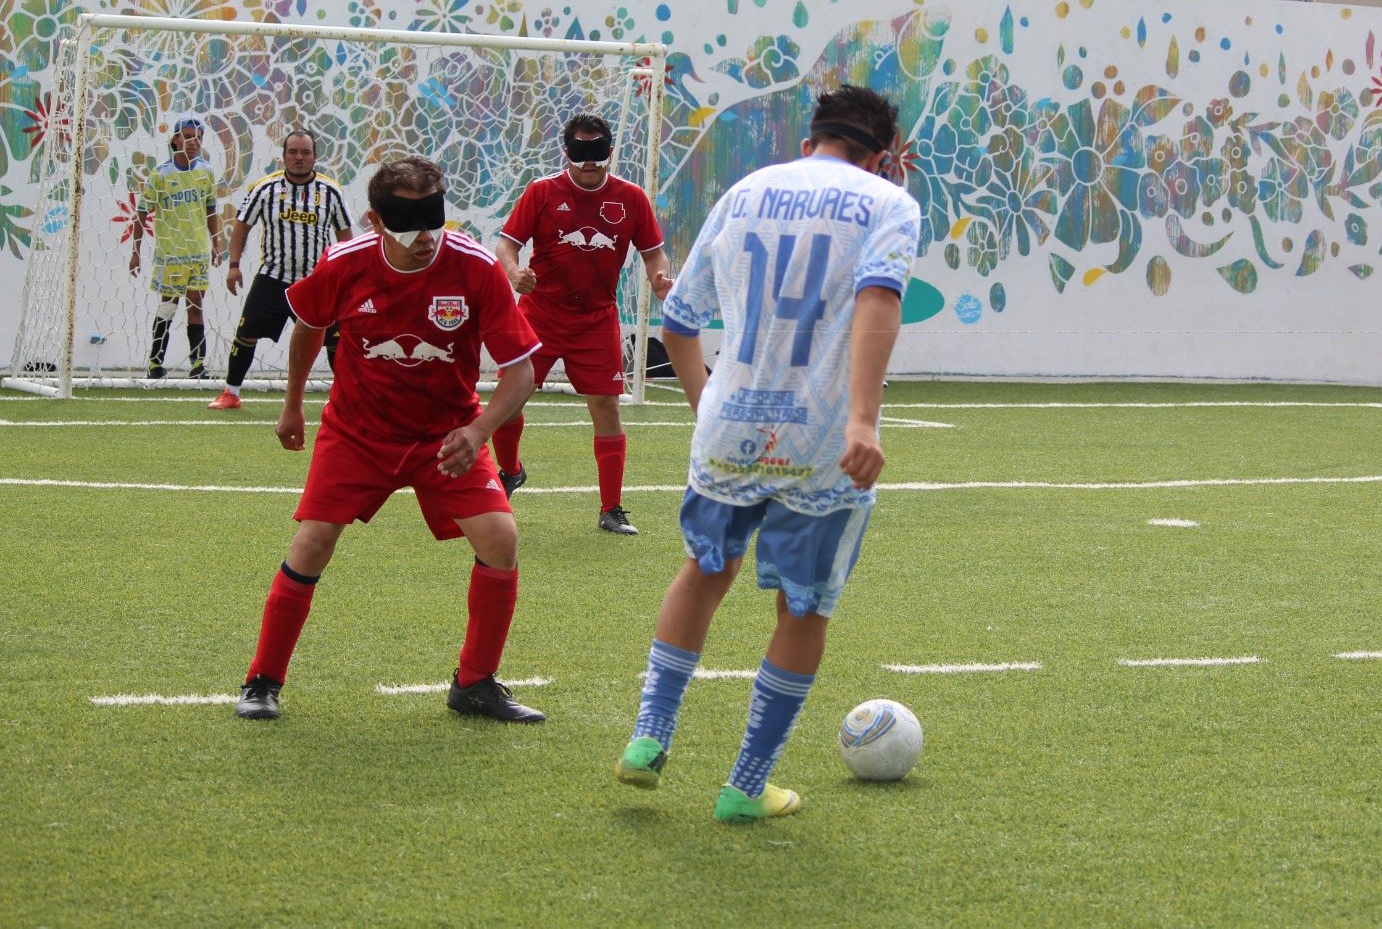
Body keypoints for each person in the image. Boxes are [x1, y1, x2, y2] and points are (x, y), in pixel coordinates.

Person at [611, 85, 920, 823]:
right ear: (882, 156)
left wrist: (705, 405)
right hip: (820, 438)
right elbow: (880, 299)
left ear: (812, 137)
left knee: (704, 569)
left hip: (730, 423)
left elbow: (678, 322)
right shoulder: (888, 203)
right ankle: (745, 787)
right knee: (802, 607)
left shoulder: (747, 190)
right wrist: (865, 422)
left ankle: (648, 737)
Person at [235, 156, 545, 725]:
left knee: (501, 538)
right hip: (357, 433)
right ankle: (262, 679)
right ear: (375, 221)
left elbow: (521, 372)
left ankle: (474, 683)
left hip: (446, 437)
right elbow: (307, 326)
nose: (424, 237)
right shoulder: (345, 262)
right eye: (407, 224)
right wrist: (292, 404)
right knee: (312, 544)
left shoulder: (474, 268)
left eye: (433, 220)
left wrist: (478, 432)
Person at [493, 114, 673, 535]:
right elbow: (506, 244)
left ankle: (612, 509)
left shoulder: (630, 198)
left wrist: (660, 277)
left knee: (607, 409)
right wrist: (513, 272)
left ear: (610, 152)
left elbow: (653, 253)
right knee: (507, 404)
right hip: (538, 316)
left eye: (596, 152)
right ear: (567, 152)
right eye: (579, 152)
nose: (588, 161)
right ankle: (510, 471)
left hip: (596, 320)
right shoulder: (541, 191)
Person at [210, 129, 353, 409]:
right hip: (273, 278)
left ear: (315, 156)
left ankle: (348, 398)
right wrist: (234, 266)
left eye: (305, 152)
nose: (299, 157)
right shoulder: (265, 188)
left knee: (336, 340)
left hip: (317, 281)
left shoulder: (331, 191)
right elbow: (241, 227)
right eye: (293, 152)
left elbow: (345, 236)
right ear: (284, 155)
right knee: (246, 332)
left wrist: (347, 276)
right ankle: (231, 392)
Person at [129, 116, 222, 379]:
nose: (194, 142)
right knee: (168, 305)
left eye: (199, 138)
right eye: (189, 136)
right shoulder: (160, 174)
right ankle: (155, 363)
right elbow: (142, 213)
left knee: (195, 304)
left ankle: (198, 365)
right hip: (171, 254)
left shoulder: (207, 171)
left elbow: (211, 210)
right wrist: (135, 252)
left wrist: (216, 244)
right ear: (175, 139)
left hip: (198, 253)